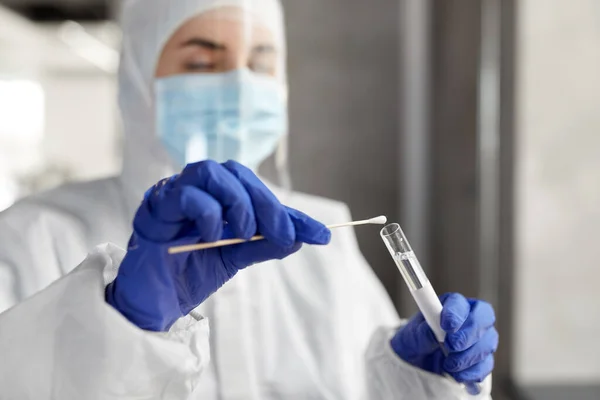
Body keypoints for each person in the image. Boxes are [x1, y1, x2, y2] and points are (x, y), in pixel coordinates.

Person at [0, 0, 498, 398]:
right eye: (201, 61)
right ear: (137, 80)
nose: (239, 87)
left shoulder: (326, 238)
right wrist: (123, 324)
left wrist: (416, 382)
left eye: (260, 64)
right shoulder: (32, 238)